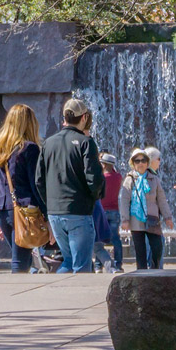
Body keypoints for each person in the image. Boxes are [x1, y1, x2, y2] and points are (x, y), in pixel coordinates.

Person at [39, 99, 106, 274]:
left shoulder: (48, 143)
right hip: (78, 211)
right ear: (84, 117)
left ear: (64, 118)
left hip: (55, 213)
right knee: (81, 265)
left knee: (67, 262)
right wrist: (94, 196)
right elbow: (94, 178)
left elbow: (39, 179)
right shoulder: (85, 142)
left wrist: (49, 204)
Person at [0, 104, 44, 272]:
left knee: (21, 255)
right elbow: (36, 184)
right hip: (23, 209)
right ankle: (18, 294)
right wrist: (46, 214)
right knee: (20, 260)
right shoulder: (29, 148)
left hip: (0, 208)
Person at [122, 148, 168, 270]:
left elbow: (162, 199)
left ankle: (155, 270)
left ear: (147, 163)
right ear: (133, 163)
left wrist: (168, 217)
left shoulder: (154, 179)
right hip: (136, 219)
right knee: (140, 251)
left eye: (143, 160)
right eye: (137, 161)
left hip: (152, 218)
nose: (140, 163)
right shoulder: (129, 179)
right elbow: (124, 201)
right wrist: (125, 220)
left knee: (157, 247)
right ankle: (142, 275)